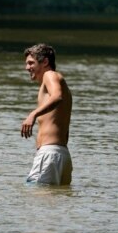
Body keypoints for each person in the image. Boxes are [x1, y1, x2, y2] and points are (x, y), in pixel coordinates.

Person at [21, 44, 73, 185]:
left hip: (49, 155)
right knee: (53, 203)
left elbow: (57, 97)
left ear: (45, 62)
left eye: (31, 63)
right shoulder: (62, 85)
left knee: (34, 199)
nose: (27, 67)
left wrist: (33, 114)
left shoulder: (50, 75)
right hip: (62, 155)